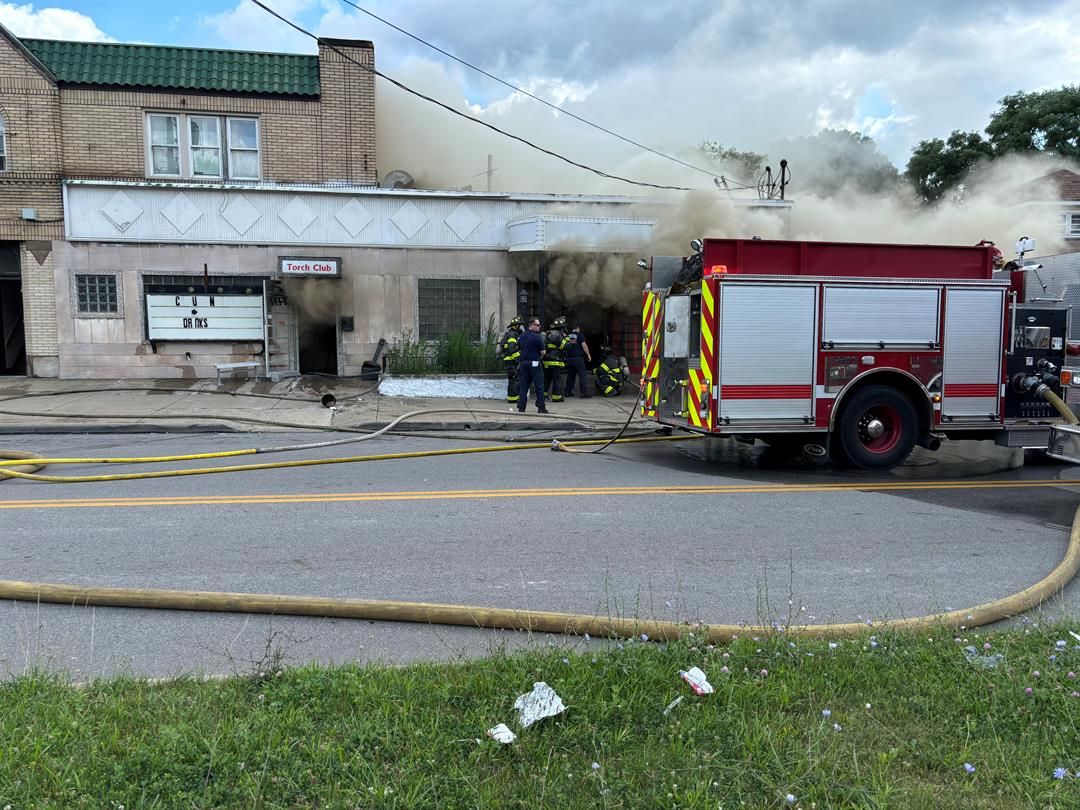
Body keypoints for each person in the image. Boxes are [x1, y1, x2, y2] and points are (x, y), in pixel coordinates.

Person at [516, 316, 548, 413]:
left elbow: (519, 347)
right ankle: (541, 407)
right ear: (532, 325)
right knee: (539, 385)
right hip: (534, 362)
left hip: (523, 363)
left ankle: (521, 408)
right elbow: (543, 352)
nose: (539, 327)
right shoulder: (538, 337)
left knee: (524, 386)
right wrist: (539, 357)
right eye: (537, 325)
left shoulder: (521, 336)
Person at [497, 316, 523, 403]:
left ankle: (513, 397)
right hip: (512, 361)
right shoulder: (513, 334)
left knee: (512, 379)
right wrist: (518, 358)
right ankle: (513, 398)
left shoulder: (509, 333)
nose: (521, 327)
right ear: (515, 326)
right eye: (519, 325)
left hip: (509, 360)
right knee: (514, 379)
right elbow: (512, 348)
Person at [543, 316, 569, 402]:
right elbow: (566, 347)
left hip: (546, 361)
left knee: (546, 379)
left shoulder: (548, 333)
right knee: (557, 379)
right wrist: (567, 338)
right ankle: (556, 397)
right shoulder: (558, 335)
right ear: (561, 327)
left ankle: (544, 395)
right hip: (555, 361)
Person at [563, 324, 592, 398]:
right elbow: (584, 345)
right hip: (578, 358)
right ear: (578, 328)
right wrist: (588, 354)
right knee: (582, 375)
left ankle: (568, 392)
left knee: (570, 376)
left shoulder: (568, 336)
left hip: (569, 358)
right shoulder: (580, 335)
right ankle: (584, 393)